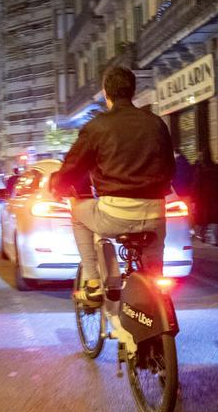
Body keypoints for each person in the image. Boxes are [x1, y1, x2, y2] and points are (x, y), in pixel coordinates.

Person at [50, 66, 174, 300]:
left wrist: (57, 187)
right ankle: (156, 300)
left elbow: (73, 167)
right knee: (155, 278)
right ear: (133, 91)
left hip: (115, 216)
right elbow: (170, 168)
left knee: (77, 213)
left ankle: (94, 282)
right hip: (155, 215)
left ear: (106, 93)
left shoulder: (98, 126)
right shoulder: (157, 123)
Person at [191, 147, 218, 246]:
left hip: (203, 199)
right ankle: (214, 240)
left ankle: (201, 236)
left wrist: (194, 198)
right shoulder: (217, 168)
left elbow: (196, 185)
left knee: (202, 218)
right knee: (215, 219)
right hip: (215, 198)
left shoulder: (200, 169)